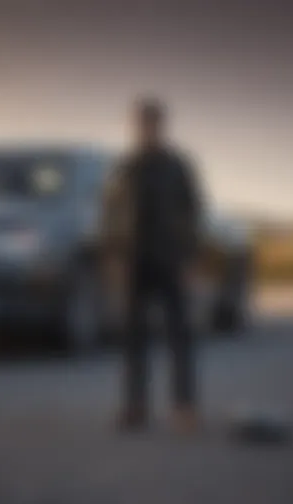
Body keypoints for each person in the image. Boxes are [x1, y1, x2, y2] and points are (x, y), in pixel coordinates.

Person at [102, 97, 204, 433]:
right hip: (134, 262)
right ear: (134, 126)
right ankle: (135, 407)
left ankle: (183, 407)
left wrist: (190, 259)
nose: (146, 128)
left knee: (180, 336)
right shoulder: (124, 167)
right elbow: (111, 215)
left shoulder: (178, 166)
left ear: (161, 125)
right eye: (140, 123)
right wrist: (115, 258)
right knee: (134, 339)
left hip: (170, 259)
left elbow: (193, 213)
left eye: (152, 122)